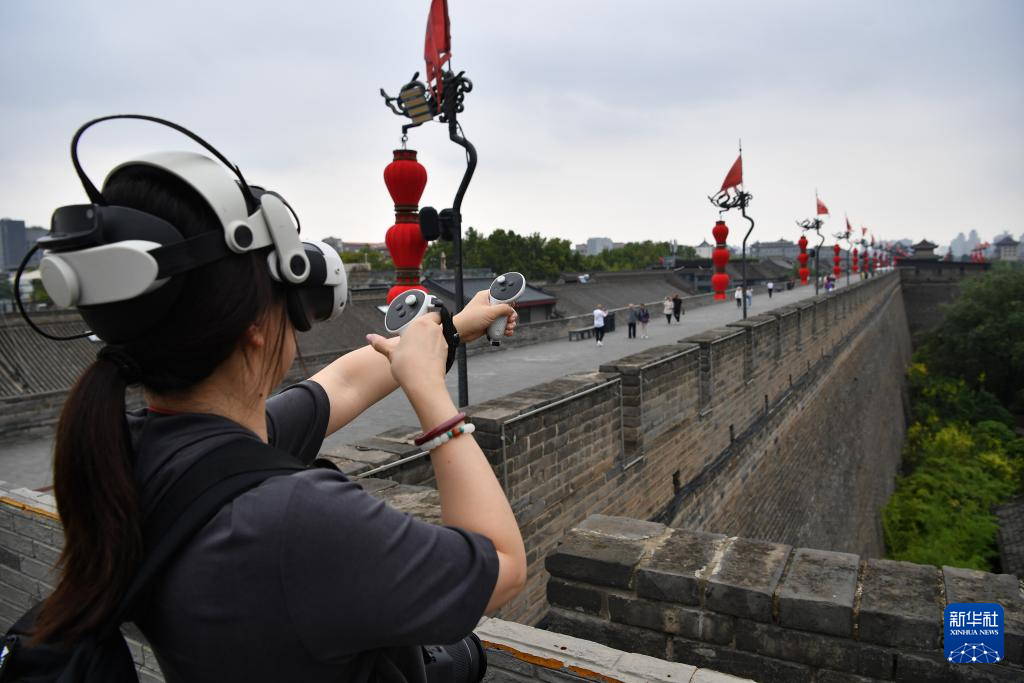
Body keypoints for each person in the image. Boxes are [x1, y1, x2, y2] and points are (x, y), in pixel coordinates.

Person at [28, 128, 527, 682]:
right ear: (254, 325)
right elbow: (501, 564)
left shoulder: (137, 452)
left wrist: (452, 329)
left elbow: (341, 387)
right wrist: (430, 393)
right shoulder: (296, 521)